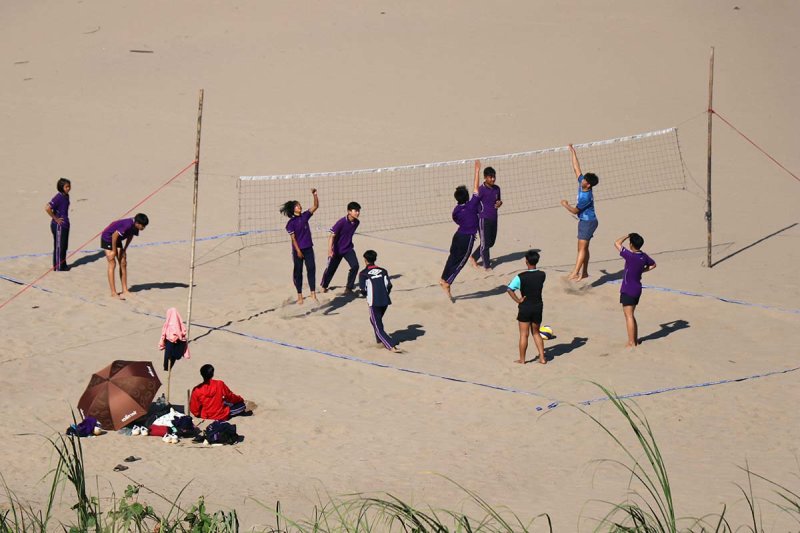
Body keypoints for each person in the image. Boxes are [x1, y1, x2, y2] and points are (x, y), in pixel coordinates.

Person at [439, 160, 482, 300]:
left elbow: (455, 219)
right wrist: (477, 171)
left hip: (458, 235)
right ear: (467, 196)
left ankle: (443, 278)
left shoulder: (456, 210)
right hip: (467, 237)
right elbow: (476, 188)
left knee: (452, 257)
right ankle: (448, 282)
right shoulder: (472, 204)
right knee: (462, 261)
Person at [560, 144, 599, 281]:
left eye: (585, 180)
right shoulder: (582, 184)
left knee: (581, 249)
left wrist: (565, 205)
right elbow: (576, 168)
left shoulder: (585, 197)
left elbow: (575, 210)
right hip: (586, 221)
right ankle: (585, 272)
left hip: (588, 222)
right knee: (584, 248)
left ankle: (575, 272)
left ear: (588, 185)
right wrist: (573, 152)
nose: (583, 180)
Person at [614, 233, 657, 347]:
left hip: (628, 288)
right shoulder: (643, 256)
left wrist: (626, 235)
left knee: (628, 316)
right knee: (631, 315)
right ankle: (635, 339)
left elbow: (616, 243)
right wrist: (641, 271)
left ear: (631, 244)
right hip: (637, 288)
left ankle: (631, 342)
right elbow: (653, 265)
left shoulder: (630, 256)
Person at [506, 249, 547, 364]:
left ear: (526, 261)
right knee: (536, 332)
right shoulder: (542, 275)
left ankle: (522, 359)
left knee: (524, 334)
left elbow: (509, 289)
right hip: (538, 306)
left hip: (525, 307)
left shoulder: (521, 276)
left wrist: (518, 300)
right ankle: (542, 358)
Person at [281, 189, 320, 304]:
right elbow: (293, 239)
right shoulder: (290, 223)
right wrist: (298, 251)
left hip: (308, 248)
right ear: (293, 209)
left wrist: (315, 195)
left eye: (299, 205)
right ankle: (300, 295)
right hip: (298, 250)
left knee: (311, 269)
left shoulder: (305, 216)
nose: (299, 206)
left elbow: (316, 206)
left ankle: (313, 293)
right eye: (297, 206)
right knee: (298, 272)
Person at [358, 250, 401, 353]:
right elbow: (389, 285)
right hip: (385, 300)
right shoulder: (383, 270)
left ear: (365, 260)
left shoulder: (363, 274)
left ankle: (390, 345)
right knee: (374, 320)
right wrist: (384, 294)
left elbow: (362, 290)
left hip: (374, 302)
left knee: (377, 325)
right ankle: (379, 340)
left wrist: (367, 296)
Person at [100, 213, 149, 299]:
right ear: (137, 223)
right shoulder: (127, 224)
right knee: (112, 263)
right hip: (108, 238)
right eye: (143, 226)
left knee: (123, 263)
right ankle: (113, 293)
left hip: (117, 239)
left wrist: (124, 250)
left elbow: (130, 236)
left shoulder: (135, 226)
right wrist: (114, 252)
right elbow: (114, 236)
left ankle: (125, 290)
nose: (144, 228)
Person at [320, 201, 361, 294]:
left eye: (358, 211)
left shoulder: (357, 222)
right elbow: (331, 236)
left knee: (355, 266)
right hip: (337, 250)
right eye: (356, 211)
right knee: (331, 269)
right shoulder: (341, 222)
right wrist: (330, 250)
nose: (358, 213)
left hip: (348, 249)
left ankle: (349, 288)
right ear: (349, 211)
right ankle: (324, 286)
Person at [470, 166, 502, 270]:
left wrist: (499, 203)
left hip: (494, 218)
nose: (493, 179)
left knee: (491, 242)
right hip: (483, 219)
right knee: (485, 243)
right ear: (485, 177)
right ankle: (487, 265)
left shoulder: (497, 189)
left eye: (494, 177)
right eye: (490, 177)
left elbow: (498, 200)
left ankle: (474, 257)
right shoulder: (481, 190)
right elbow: (473, 203)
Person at [45, 178, 72, 271]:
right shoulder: (58, 197)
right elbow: (47, 207)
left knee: (64, 245)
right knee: (59, 246)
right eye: (66, 187)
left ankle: (63, 264)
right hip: (58, 226)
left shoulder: (66, 196)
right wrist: (55, 218)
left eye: (69, 186)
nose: (68, 188)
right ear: (61, 187)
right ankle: (58, 267)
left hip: (65, 225)